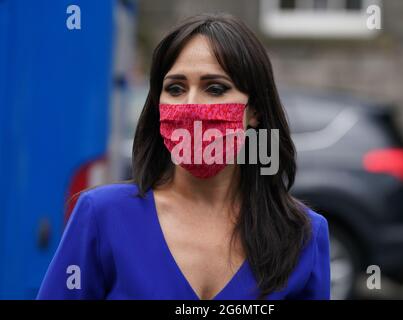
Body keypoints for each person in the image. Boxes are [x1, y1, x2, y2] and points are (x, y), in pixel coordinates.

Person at [37, 12, 330, 300]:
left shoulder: (303, 234)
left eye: (215, 88)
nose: (191, 105)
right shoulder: (103, 215)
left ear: (254, 111)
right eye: (175, 88)